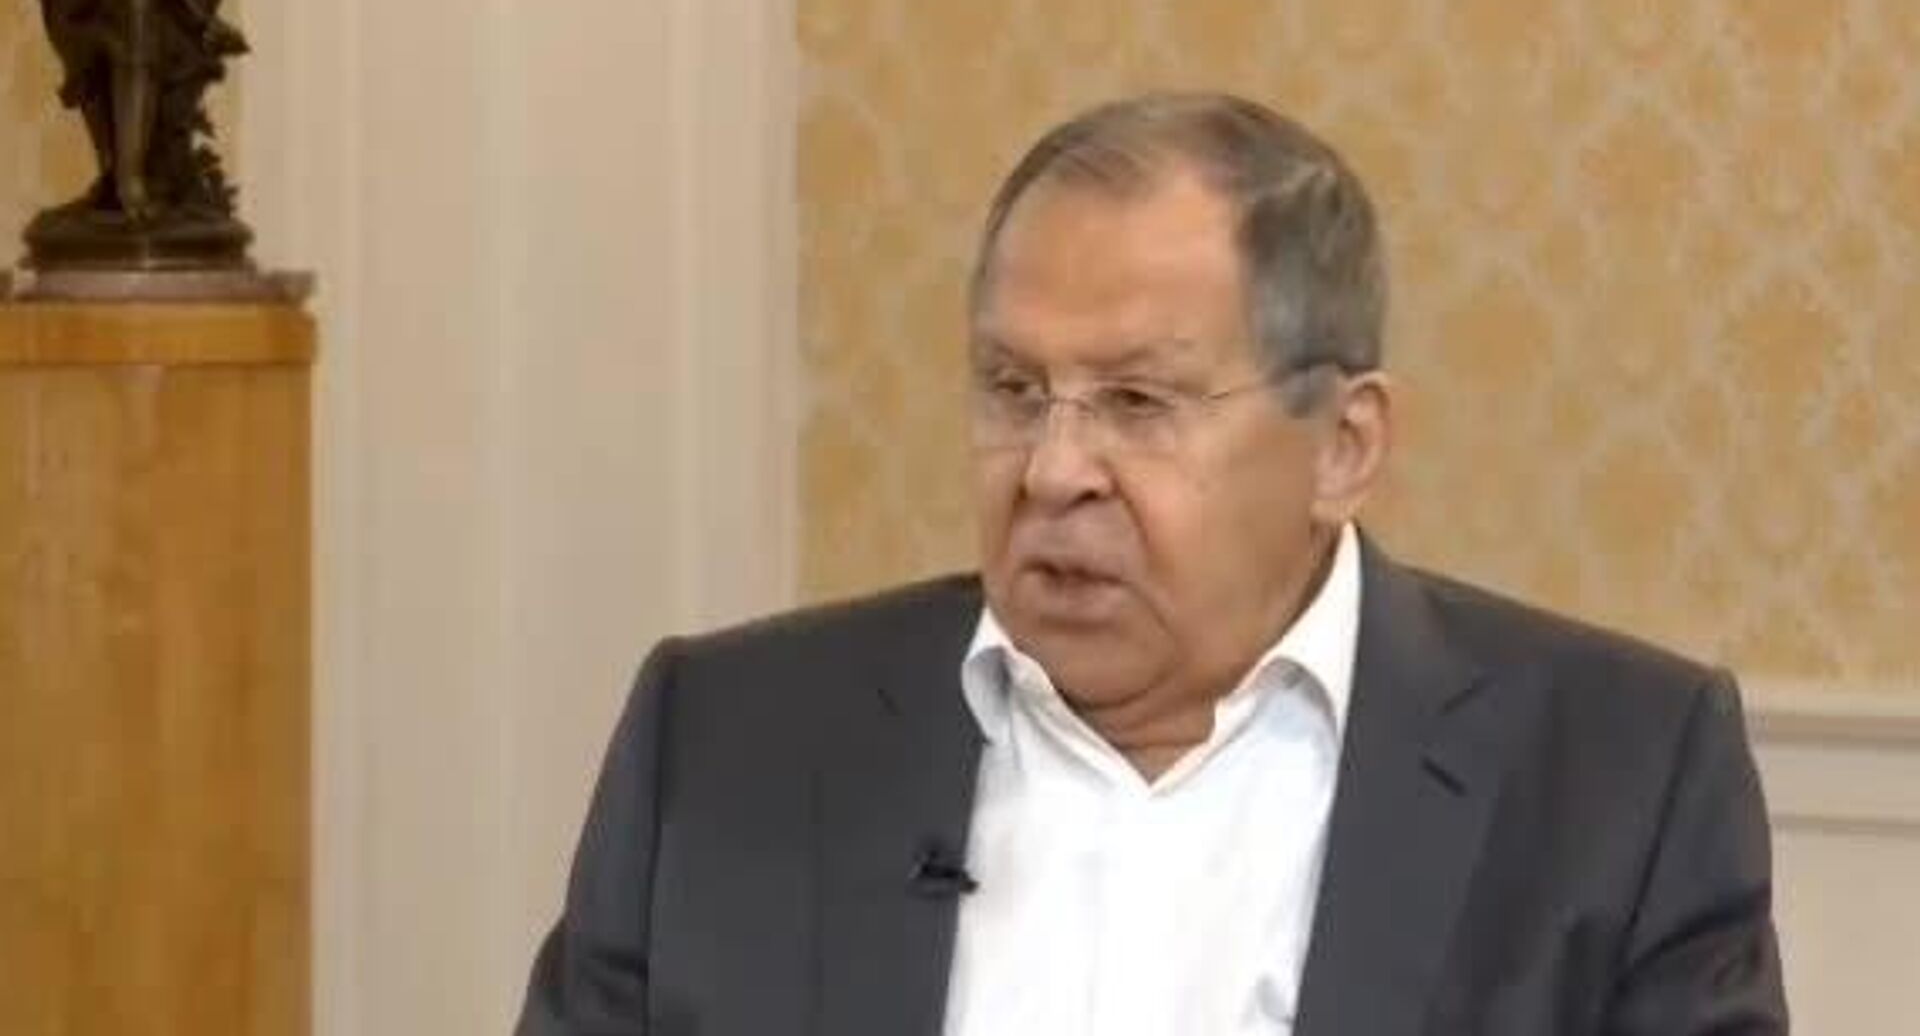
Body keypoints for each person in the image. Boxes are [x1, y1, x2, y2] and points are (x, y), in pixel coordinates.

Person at [516, 92, 1787, 1035]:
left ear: (1343, 446)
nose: (1053, 467)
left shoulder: (1616, 779)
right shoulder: (727, 739)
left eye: (1136, 401)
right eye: (1014, 388)